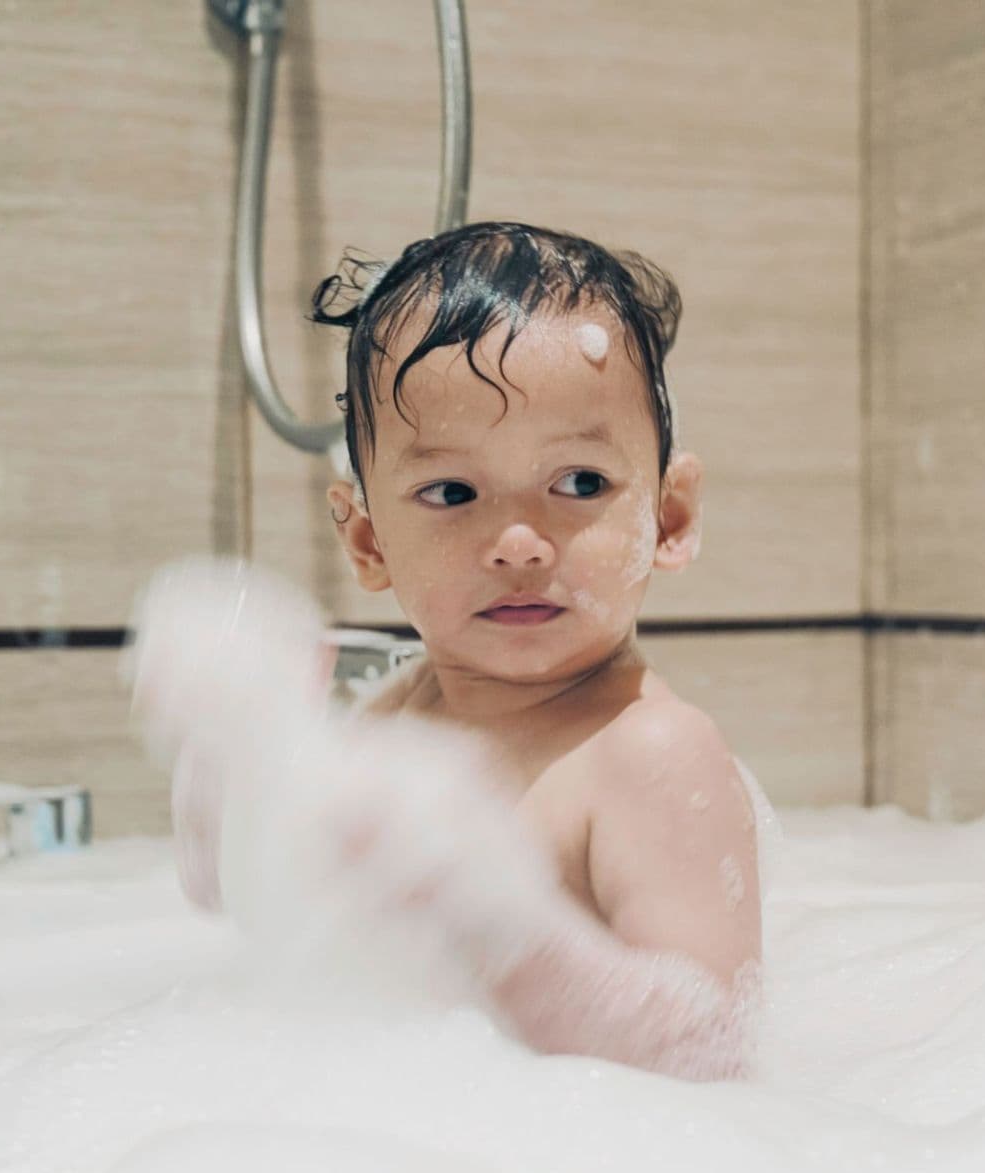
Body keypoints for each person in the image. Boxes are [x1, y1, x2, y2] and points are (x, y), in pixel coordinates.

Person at [132, 222, 767, 1081]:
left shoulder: (648, 753)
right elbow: (256, 916)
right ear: (368, 544)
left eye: (579, 483)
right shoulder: (396, 711)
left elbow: (714, 1053)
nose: (517, 542)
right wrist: (232, 779)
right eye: (451, 491)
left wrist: (504, 927)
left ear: (671, 516)